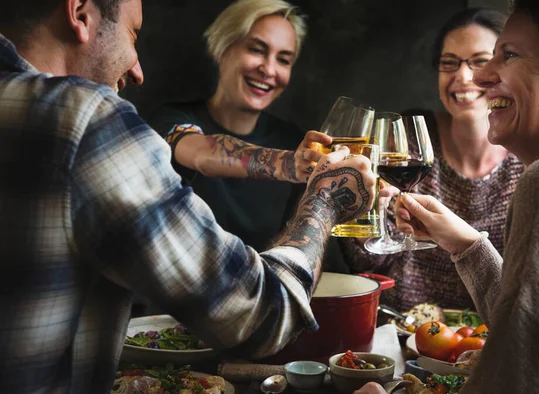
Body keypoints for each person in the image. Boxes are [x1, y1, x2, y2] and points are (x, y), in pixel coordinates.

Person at [0, 0, 378, 393]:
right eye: (133, 33)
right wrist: (324, 197)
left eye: (284, 58)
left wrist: (302, 168)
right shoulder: (91, 119)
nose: (137, 71)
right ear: (79, 13)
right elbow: (262, 316)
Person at [392, 0, 539, 391]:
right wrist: (467, 245)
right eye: (449, 62)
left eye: (508, 55)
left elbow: (517, 380)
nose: (481, 77)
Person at [337, 8, 524, 311]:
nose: (462, 77)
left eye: (479, 61)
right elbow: (364, 262)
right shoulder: (407, 143)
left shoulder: (527, 161)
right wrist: (367, 212)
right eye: (449, 63)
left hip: (492, 336)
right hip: (401, 329)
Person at [147, 0, 323, 253]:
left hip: (260, 288)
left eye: (284, 60)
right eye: (257, 50)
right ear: (222, 49)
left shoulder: (292, 139)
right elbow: (202, 154)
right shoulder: (170, 119)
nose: (269, 69)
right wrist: (289, 164)